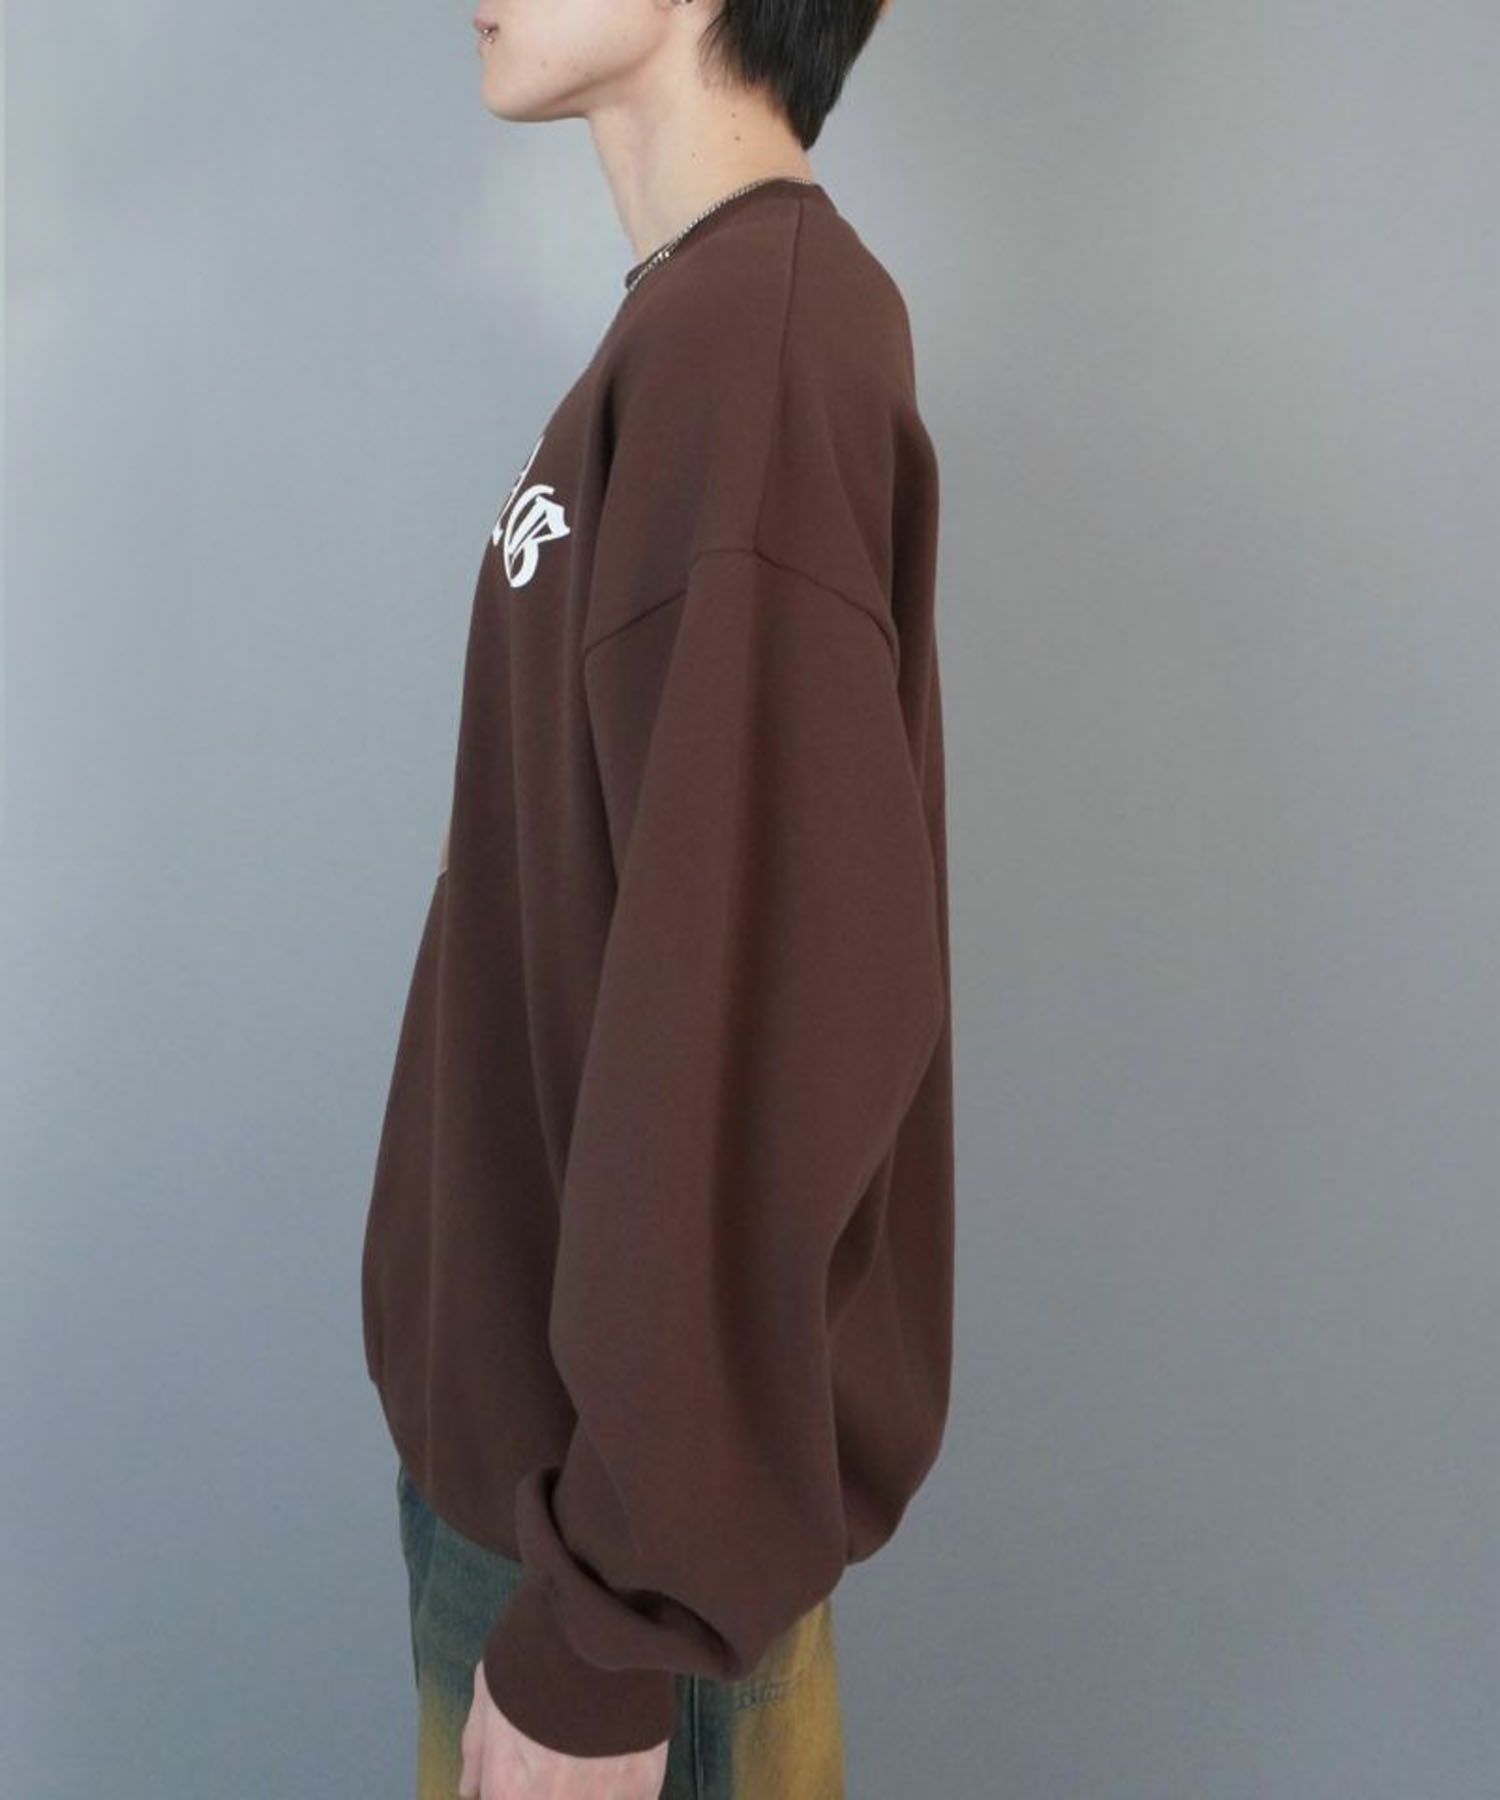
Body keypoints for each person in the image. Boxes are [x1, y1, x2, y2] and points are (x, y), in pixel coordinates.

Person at [359, 1, 954, 1794]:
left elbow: (754, 1021)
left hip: (615, 1581)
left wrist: (607, 1630)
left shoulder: (754, 349)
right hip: (553, 1514)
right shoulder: (698, 327)